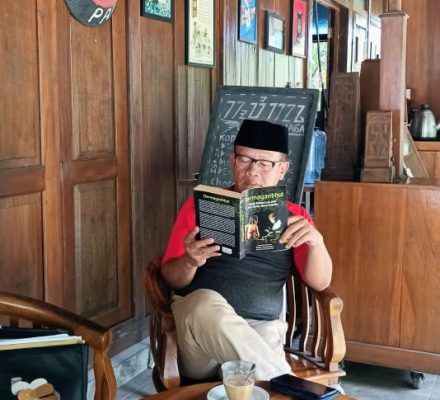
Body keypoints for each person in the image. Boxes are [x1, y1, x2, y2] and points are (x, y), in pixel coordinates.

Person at [160, 119, 333, 381]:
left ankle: (279, 384)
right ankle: (290, 385)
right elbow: (170, 278)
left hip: (260, 331)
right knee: (203, 304)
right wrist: (189, 261)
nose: (252, 171)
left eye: (265, 163)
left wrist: (316, 242)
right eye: (245, 160)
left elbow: (320, 282)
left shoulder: (295, 217)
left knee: (250, 387)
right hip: (199, 335)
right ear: (232, 161)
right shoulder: (199, 206)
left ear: (282, 169)